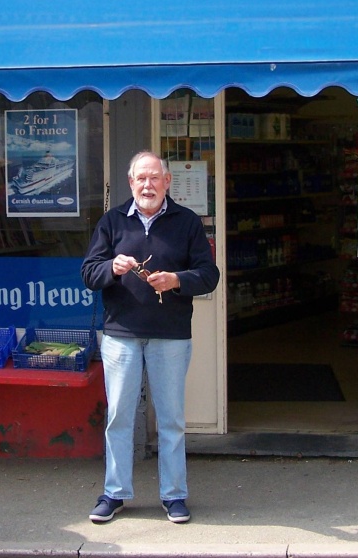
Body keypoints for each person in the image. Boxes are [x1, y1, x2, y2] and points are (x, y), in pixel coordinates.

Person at [81, 151, 220, 525]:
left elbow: (210, 274)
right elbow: (88, 273)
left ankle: (174, 496)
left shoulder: (187, 222)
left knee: (172, 419)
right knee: (118, 417)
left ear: (167, 181)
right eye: (141, 179)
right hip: (121, 335)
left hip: (170, 335)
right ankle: (114, 493)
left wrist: (177, 280)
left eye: (155, 178)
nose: (148, 185)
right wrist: (111, 266)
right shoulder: (112, 222)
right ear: (130, 183)